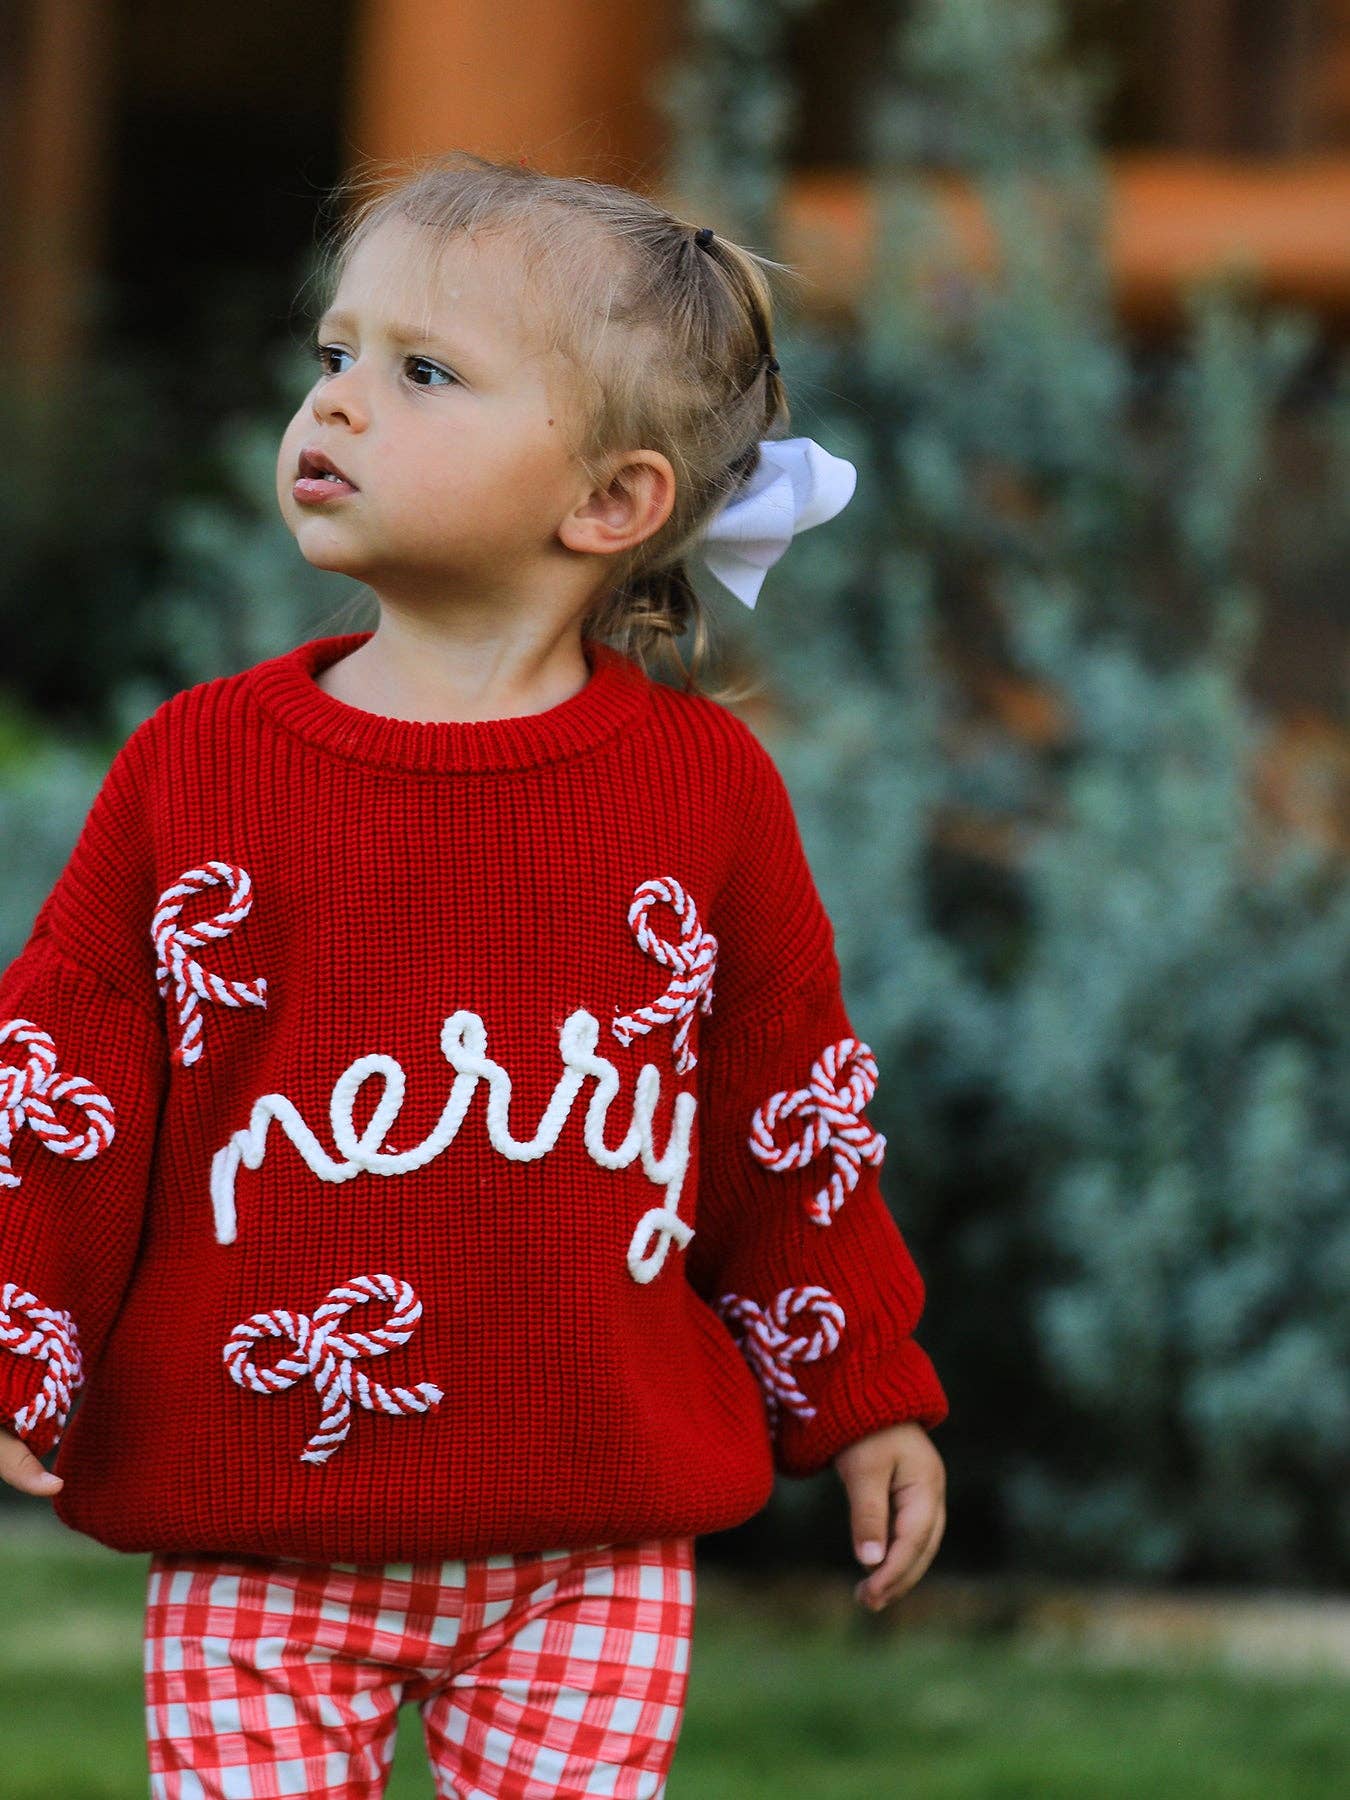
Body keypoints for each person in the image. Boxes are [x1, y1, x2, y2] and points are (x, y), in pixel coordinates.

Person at [0, 151, 949, 1800]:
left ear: (610, 503)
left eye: (423, 372)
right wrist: (22, 1339)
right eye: (335, 354)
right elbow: (64, 1079)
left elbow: (786, 1108)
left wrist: (860, 1388)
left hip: (591, 1539)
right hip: (257, 1523)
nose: (337, 402)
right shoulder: (198, 768)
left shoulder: (701, 792)